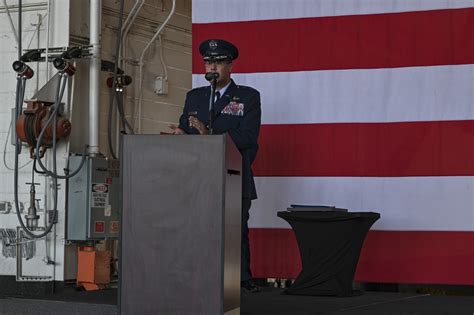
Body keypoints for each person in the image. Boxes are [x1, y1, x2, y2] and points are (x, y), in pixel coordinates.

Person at [170, 39, 261, 293]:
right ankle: (197, 275)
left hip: (233, 174)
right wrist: (181, 136)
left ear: (230, 65)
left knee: (234, 231)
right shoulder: (195, 97)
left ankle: (240, 280)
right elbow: (188, 132)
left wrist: (209, 133)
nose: (212, 66)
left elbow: (247, 138)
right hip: (197, 177)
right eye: (208, 62)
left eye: (218, 62)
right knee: (196, 228)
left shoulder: (247, 96)